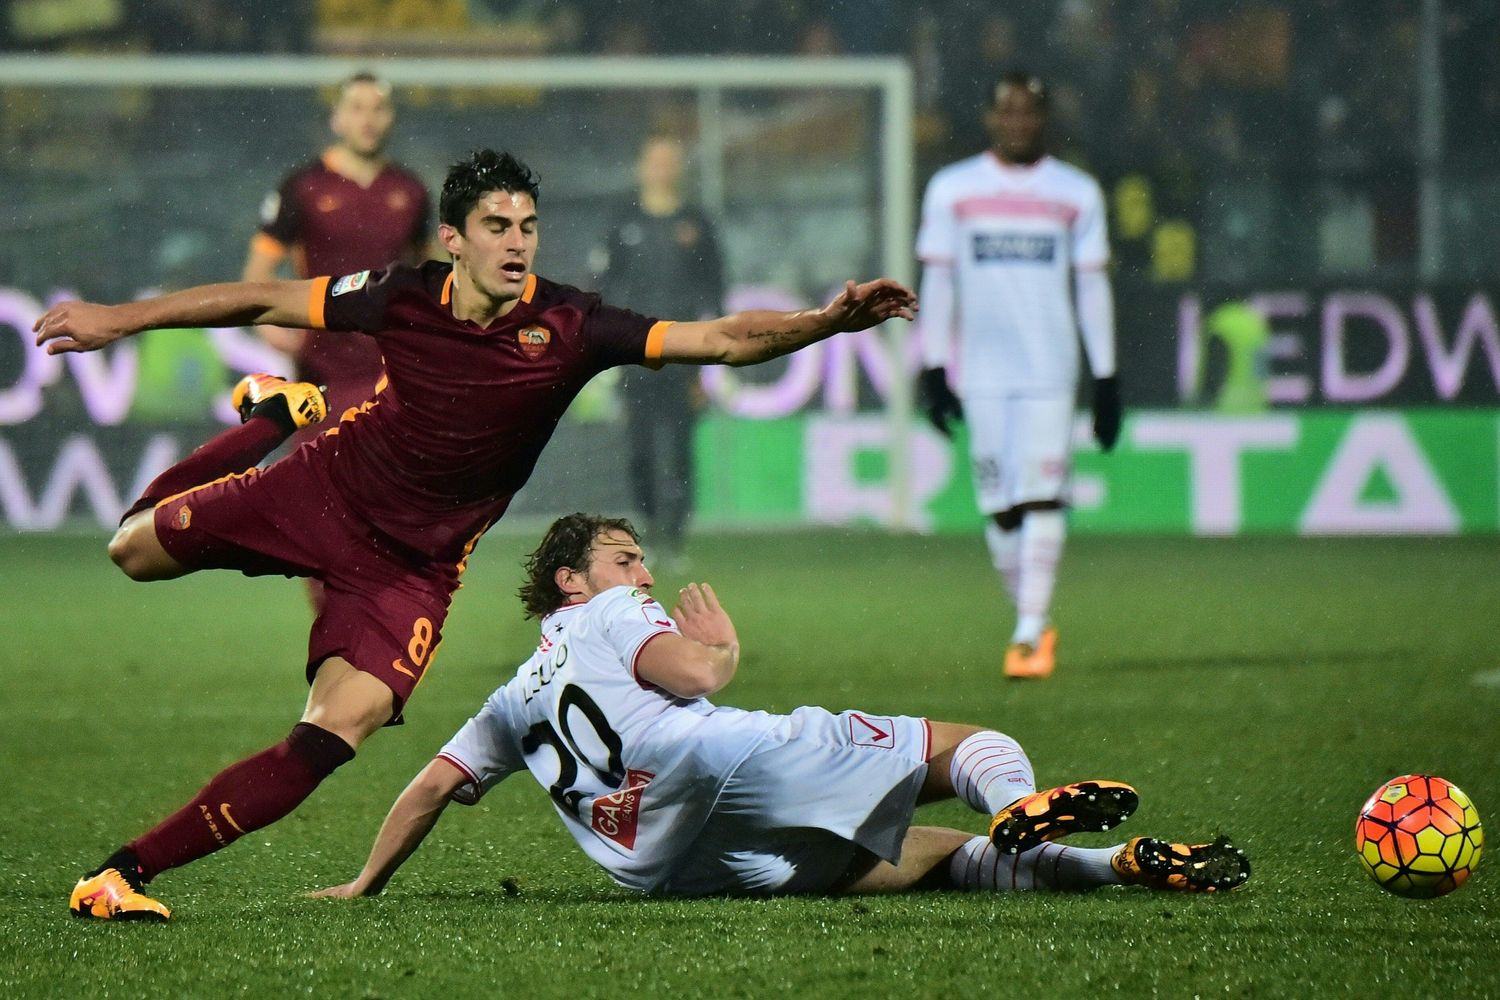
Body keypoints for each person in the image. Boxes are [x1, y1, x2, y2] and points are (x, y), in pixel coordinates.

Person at [35, 149, 917, 922]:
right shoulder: (400, 296)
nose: (516, 242)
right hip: (319, 488)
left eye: (528, 225)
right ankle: (270, 421)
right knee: (131, 551)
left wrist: (823, 323)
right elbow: (261, 295)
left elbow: (721, 340)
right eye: (496, 224)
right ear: (451, 238)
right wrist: (119, 318)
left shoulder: (572, 326)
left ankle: (122, 872)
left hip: (411, 570)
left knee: (343, 727)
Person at [311, 513, 1249, 901]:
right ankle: (1015, 806)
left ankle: (1113, 865)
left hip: (657, 865)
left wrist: (363, 884)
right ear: (572, 578)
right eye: (624, 555)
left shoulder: (511, 697)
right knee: (977, 740)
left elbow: (430, 789)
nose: (644, 571)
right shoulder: (608, 609)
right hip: (716, 761)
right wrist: (722, 645)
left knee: (916, 862)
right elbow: (698, 678)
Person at [914, 71, 1123, 681]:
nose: (1019, 121)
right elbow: (940, 280)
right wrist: (933, 365)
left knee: (1041, 494)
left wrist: (1105, 377)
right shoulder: (952, 189)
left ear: (1044, 118)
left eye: (1030, 110)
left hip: (1049, 370)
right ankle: (1031, 617)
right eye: (1008, 110)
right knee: (1001, 507)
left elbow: (1091, 286)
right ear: (989, 117)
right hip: (981, 371)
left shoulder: (1075, 191)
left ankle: (1029, 632)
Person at [242, 71, 430, 433]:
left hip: (392, 371)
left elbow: (430, 273)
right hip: (322, 372)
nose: (368, 119)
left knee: (389, 481)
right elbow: (257, 273)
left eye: (379, 108)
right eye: (357, 108)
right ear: (337, 118)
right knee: (322, 477)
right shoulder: (305, 186)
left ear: (392, 117)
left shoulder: (410, 191)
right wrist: (274, 331)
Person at [593, 136, 724, 568]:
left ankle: (676, 535)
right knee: (641, 449)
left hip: (685, 355)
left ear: (679, 168)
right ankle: (649, 527)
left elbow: (714, 291)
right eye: (655, 161)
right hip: (635, 353)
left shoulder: (697, 222)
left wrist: (711, 359)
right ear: (642, 167)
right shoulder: (622, 222)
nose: (662, 169)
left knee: (682, 446)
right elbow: (603, 289)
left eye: (670, 161)